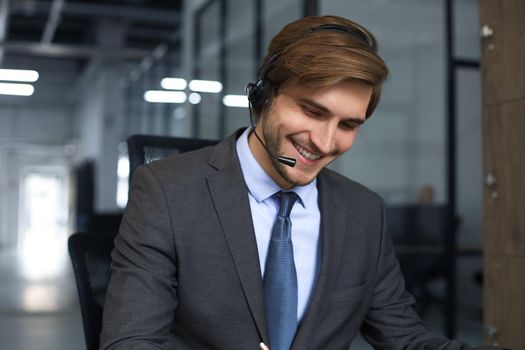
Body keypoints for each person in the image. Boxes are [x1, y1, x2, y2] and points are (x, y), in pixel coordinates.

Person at [100, 15, 505, 350]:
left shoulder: (363, 211)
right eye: (312, 111)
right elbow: (131, 341)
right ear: (263, 96)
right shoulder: (167, 191)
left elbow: (406, 338)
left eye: (348, 125)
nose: (325, 143)